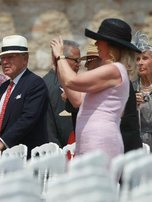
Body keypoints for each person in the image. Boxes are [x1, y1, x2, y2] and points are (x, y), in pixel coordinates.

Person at [50, 18, 141, 163]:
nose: (97, 44)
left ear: (110, 45)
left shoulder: (114, 69)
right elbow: (76, 99)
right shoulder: (111, 70)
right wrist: (58, 64)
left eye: (100, 40)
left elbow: (72, 81)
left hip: (101, 141)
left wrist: (61, 56)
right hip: (90, 141)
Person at [0, 35, 49, 159]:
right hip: (5, 158)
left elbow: (28, 119)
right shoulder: (4, 87)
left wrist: (3, 142)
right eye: (3, 57)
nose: (4, 62)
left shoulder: (35, 83)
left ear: (25, 58)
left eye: (10, 57)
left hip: (27, 157)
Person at [64, 42, 142, 153]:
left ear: (100, 59)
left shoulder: (114, 77)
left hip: (122, 148)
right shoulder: (103, 81)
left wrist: (60, 59)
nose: (86, 65)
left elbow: (75, 100)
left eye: (90, 60)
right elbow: (72, 104)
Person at [43, 40, 80, 147]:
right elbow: (64, 125)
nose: (79, 64)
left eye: (79, 60)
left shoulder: (48, 81)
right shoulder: (57, 86)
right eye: (75, 60)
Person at [132, 31, 152, 149]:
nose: (140, 63)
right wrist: (131, 104)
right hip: (138, 146)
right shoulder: (131, 87)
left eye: (145, 58)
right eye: (137, 59)